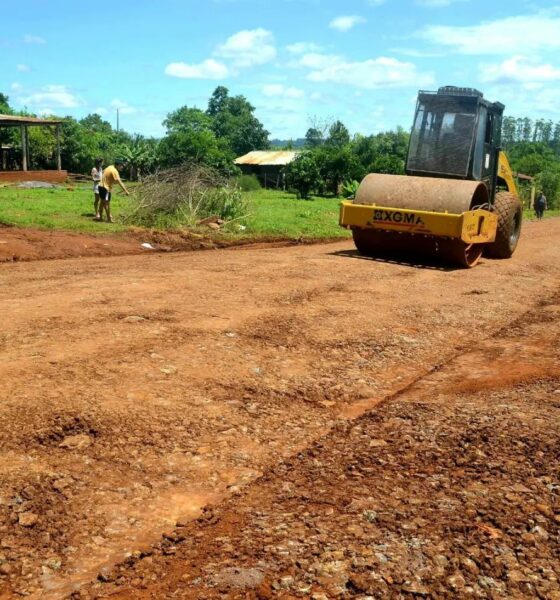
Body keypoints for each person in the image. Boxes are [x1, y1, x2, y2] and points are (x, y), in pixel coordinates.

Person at [97, 158, 130, 223]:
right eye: (121, 165)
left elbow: (103, 172)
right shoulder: (114, 171)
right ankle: (109, 219)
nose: (122, 167)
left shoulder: (110, 166)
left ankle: (100, 218)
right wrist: (126, 191)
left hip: (100, 186)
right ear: (117, 165)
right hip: (105, 188)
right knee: (106, 204)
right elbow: (119, 182)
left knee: (102, 203)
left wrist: (108, 179)